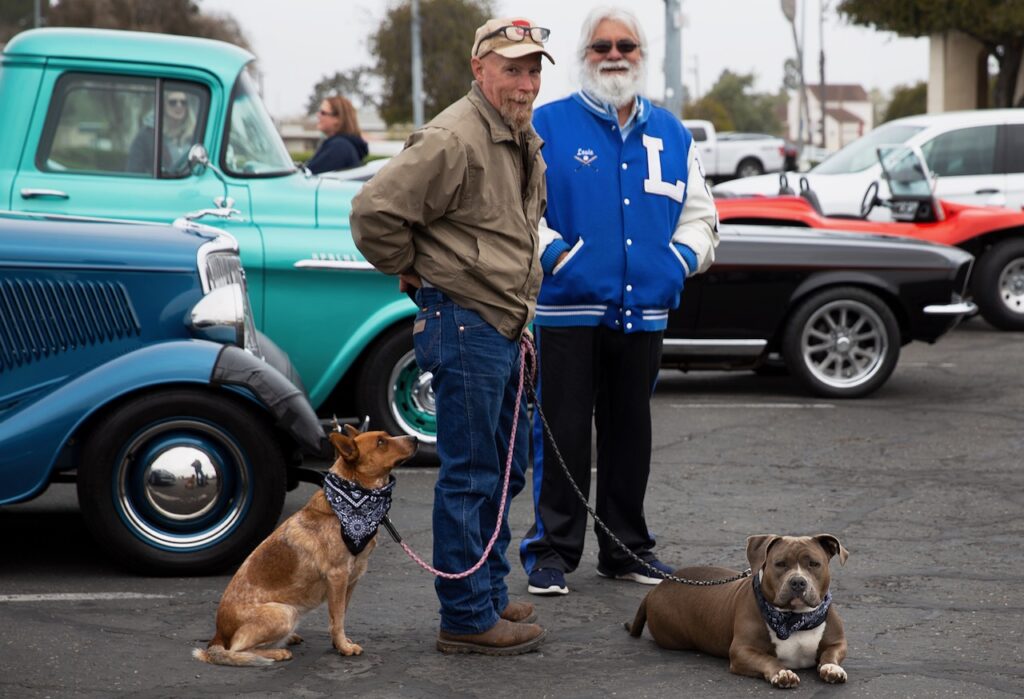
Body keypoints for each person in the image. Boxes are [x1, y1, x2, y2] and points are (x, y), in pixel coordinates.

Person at [350, 17, 554, 655]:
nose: (524, 82)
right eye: (511, 68)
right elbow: (373, 214)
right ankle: (466, 619)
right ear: (479, 68)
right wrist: (417, 273)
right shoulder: (454, 136)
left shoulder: (518, 135)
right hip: (467, 320)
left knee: (503, 470)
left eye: (532, 69)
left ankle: (486, 594)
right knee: (471, 475)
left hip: (502, 323)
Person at [519, 6, 719, 597]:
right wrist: (558, 257)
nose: (614, 54)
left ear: (641, 54)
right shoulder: (546, 126)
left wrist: (675, 263)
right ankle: (551, 551)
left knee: (631, 433)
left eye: (625, 45)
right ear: (584, 57)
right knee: (563, 434)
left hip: (644, 315)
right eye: (601, 45)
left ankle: (626, 548)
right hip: (567, 312)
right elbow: (518, 209)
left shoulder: (672, 132)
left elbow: (702, 218)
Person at [127, 89, 199, 176]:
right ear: (163, 105)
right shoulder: (146, 136)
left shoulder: (197, 133)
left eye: (183, 102)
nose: (179, 105)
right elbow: (134, 171)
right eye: (173, 102)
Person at [305, 95, 368, 174]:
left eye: (323, 112)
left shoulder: (339, 146)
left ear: (338, 118)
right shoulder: (345, 145)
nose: (318, 115)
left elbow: (308, 176)